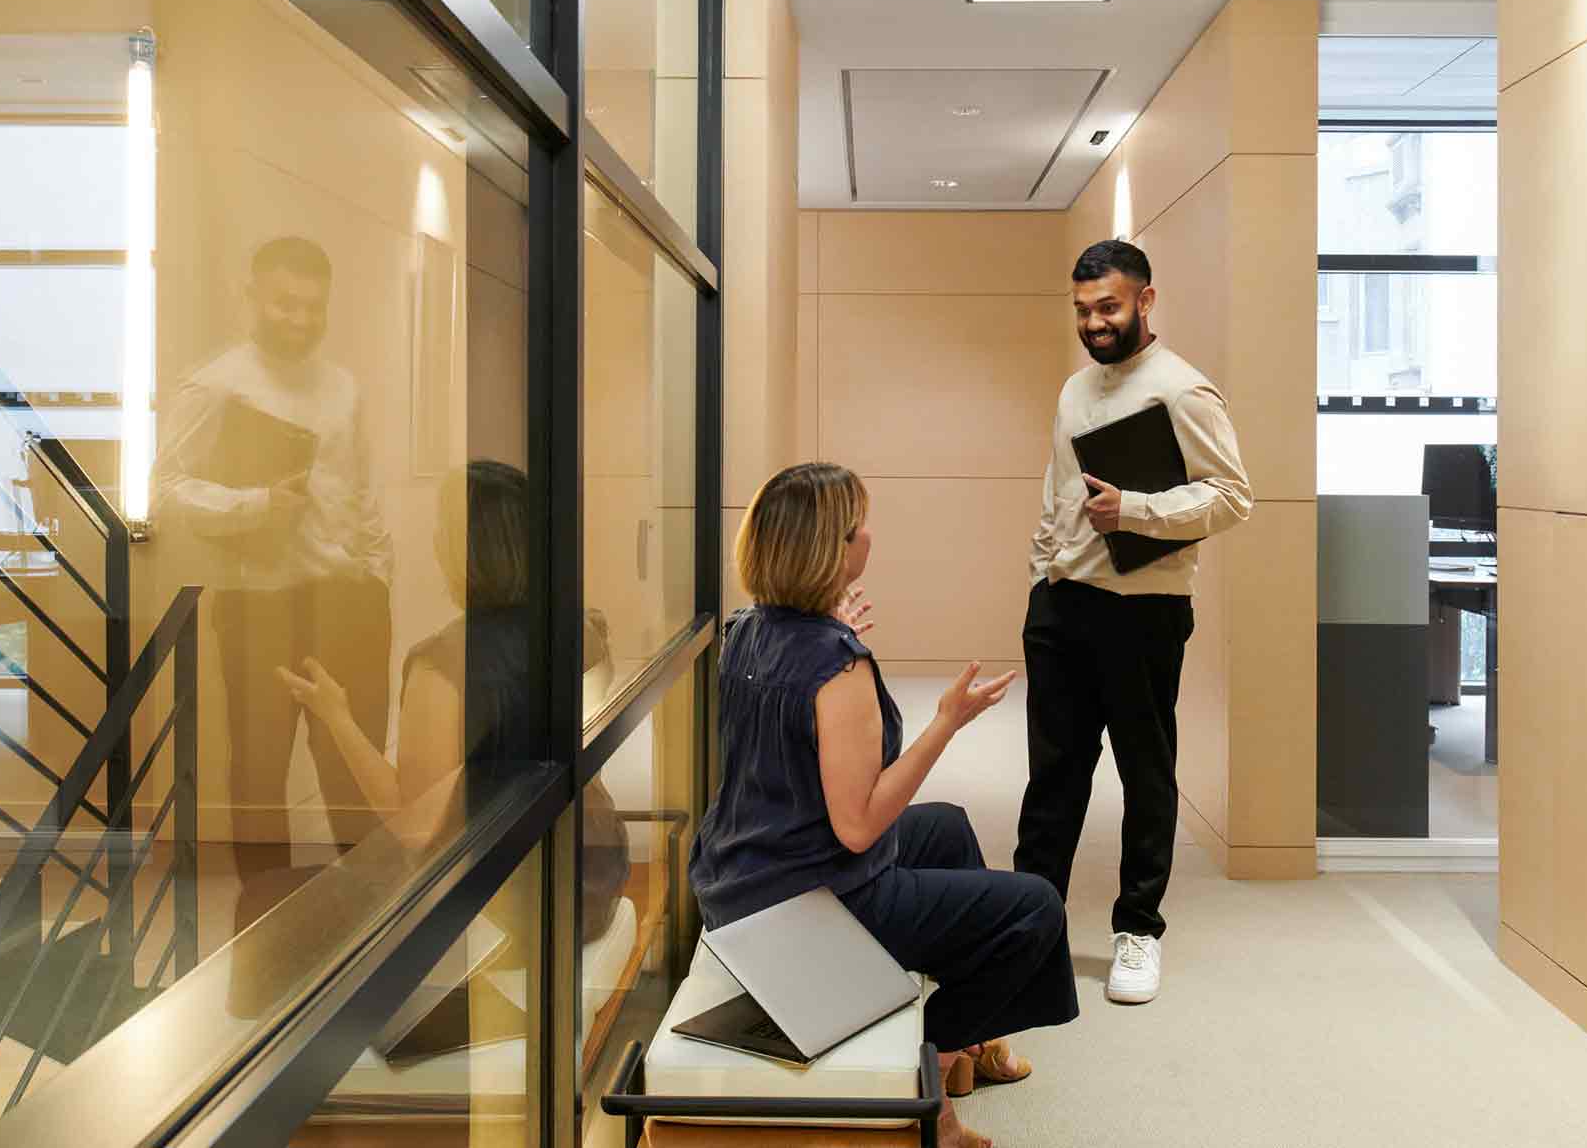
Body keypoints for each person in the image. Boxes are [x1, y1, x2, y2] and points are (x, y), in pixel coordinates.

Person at [691, 463, 1078, 1148]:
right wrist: (946, 724)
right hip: (805, 908)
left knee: (948, 826)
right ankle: (929, 1055)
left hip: (741, 880)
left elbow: (797, 712)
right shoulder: (837, 666)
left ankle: (963, 1063)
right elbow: (861, 825)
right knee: (1036, 908)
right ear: (832, 549)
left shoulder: (748, 629)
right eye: (857, 525)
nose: (869, 533)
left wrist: (832, 632)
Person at [1018, 239, 1251, 1006]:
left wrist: (1138, 510)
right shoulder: (1073, 390)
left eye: (1109, 307)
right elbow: (1057, 491)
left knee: (1145, 775)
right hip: (1062, 608)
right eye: (1083, 310)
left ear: (1146, 300)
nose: (1094, 323)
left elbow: (1232, 496)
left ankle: (1138, 931)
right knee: (1053, 777)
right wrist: (1042, 573)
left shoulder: (1184, 392)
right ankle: (1028, 925)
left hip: (1145, 613)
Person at [278, 461, 630, 940]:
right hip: (594, 871)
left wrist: (336, 716)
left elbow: (414, 827)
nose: (437, 546)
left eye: (443, 531)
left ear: (467, 550)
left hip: (512, 903)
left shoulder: (442, 664)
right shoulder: (581, 630)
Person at [155, 236, 394, 856]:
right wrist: (256, 504)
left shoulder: (343, 386)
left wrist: (377, 572)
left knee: (356, 772)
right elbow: (167, 489)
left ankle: (369, 920)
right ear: (253, 297)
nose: (301, 319)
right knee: (259, 777)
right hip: (258, 604)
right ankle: (263, 932)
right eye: (286, 304)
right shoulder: (216, 386)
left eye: (314, 307)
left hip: (348, 601)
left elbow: (359, 489)